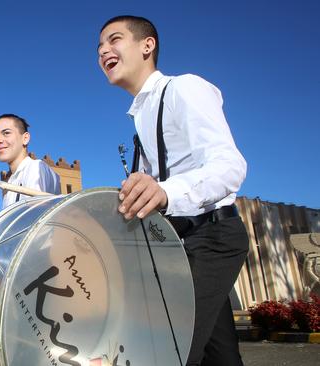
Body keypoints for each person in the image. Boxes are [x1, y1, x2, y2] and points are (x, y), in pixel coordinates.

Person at [98, 15, 249, 366]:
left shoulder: (184, 88)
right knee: (222, 358)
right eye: (99, 47)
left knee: (163, 352)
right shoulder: (140, 119)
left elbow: (229, 165)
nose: (104, 50)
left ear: (147, 45)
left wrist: (165, 193)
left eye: (114, 39)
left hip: (211, 237)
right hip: (180, 248)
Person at [0, 113, 61, 208]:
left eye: (6, 133)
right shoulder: (10, 184)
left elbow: (36, 214)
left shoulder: (36, 167)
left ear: (25, 138)